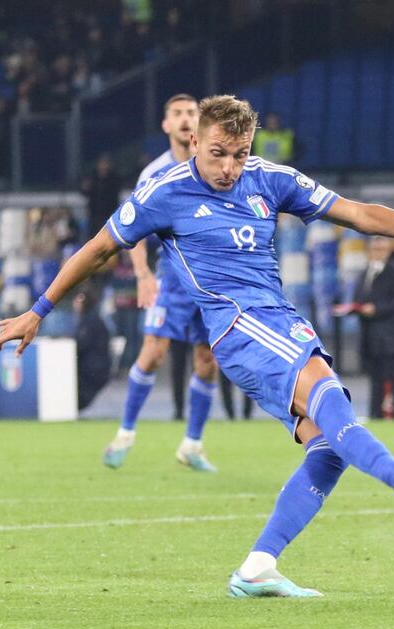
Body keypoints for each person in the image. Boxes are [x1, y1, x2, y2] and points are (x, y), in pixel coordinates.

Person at [0, 95, 394, 597]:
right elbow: (99, 248)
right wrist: (38, 311)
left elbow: (357, 214)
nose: (230, 167)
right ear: (195, 141)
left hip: (278, 319)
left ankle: (257, 566)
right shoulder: (163, 192)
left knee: (326, 445)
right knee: (330, 395)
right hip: (238, 325)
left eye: (239, 153)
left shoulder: (270, 178)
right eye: (218, 153)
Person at [99, 93, 221, 472]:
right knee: (152, 352)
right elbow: (131, 231)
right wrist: (143, 274)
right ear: (166, 125)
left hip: (212, 282)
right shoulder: (154, 173)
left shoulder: (218, 166)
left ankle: (193, 444)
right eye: (177, 114)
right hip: (171, 279)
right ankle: (125, 433)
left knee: (207, 360)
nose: (186, 119)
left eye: (191, 113)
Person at [354, 236, 394, 419]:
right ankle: (375, 414)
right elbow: (359, 296)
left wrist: (377, 309)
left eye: (382, 249)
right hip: (369, 333)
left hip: (388, 333)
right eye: (376, 249)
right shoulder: (364, 272)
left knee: (392, 376)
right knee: (375, 377)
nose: (378, 253)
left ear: (388, 251)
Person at [74, 288, 111, 411]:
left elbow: (81, 344)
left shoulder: (90, 321)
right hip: (95, 365)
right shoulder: (91, 319)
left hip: (92, 369)